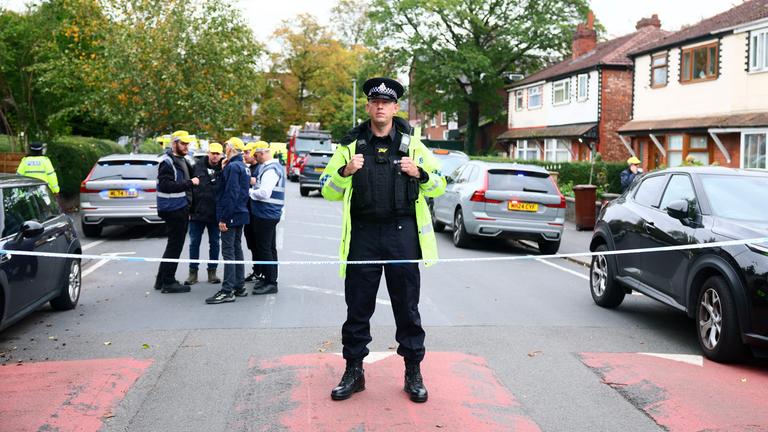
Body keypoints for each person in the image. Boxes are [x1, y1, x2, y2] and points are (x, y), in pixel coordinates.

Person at [320, 77, 446, 403]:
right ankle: (354, 371)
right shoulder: (349, 147)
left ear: (394, 108)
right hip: (363, 236)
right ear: (368, 106)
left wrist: (421, 173)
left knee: (407, 307)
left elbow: (441, 185)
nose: (380, 106)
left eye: (386, 102)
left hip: (401, 235)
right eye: (375, 101)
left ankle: (413, 372)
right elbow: (327, 190)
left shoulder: (414, 146)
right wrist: (344, 172)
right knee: (358, 307)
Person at [206, 137, 250, 304]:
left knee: (228, 253)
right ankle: (239, 286)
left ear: (232, 149)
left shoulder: (233, 167)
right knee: (237, 250)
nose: (225, 150)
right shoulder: (242, 166)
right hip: (240, 213)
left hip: (231, 214)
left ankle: (227, 290)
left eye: (226, 147)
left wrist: (224, 217)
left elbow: (230, 193)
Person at [154, 132, 200, 293]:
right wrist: (189, 183)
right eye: (183, 144)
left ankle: (161, 280)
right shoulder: (167, 162)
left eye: (188, 144)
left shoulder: (182, 160)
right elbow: (166, 186)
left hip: (179, 207)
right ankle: (168, 281)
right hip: (173, 208)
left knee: (172, 245)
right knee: (175, 246)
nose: (186, 146)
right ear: (174, 143)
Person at [248, 141, 285, 295]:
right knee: (269, 248)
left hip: (266, 213)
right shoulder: (272, 167)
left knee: (265, 249)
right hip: (269, 213)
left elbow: (264, 193)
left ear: (262, 153)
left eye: (256, 155)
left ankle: (270, 282)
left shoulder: (270, 169)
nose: (255, 158)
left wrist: (248, 192)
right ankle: (268, 278)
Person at [184, 142, 224, 285]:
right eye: (213, 153)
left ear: (221, 155)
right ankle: (192, 273)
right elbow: (188, 188)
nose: (215, 156)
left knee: (214, 243)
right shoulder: (196, 166)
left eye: (217, 153)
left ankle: (212, 272)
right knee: (194, 243)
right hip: (197, 213)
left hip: (215, 214)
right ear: (208, 153)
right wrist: (189, 209)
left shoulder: (223, 168)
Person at [242, 142, 262, 283]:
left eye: (247, 152)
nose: (245, 155)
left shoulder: (260, 168)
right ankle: (258, 270)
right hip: (249, 212)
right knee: (252, 244)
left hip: (256, 213)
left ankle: (261, 271)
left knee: (259, 244)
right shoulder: (251, 168)